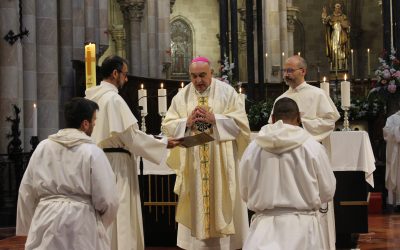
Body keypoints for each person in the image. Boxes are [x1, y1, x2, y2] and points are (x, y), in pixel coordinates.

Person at [85, 55, 180, 250]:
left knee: (104, 213)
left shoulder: (93, 97)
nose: (126, 79)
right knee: (121, 211)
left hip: (100, 160)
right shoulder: (113, 100)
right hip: (118, 164)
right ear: (115, 73)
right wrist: (163, 143)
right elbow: (132, 138)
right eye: (125, 74)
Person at [162, 56, 251, 249]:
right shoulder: (182, 96)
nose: (198, 81)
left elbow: (242, 126)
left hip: (221, 160)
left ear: (212, 73)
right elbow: (167, 125)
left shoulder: (227, 93)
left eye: (202, 75)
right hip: (193, 161)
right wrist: (186, 123)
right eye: (193, 76)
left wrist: (215, 119)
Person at [16, 97, 119, 250]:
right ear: (85, 124)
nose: (95, 124)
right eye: (94, 120)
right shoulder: (92, 152)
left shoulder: (43, 148)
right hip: (83, 224)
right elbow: (108, 200)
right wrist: (98, 223)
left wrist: (27, 230)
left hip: (46, 221)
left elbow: (26, 192)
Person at [239, 97, 336, 250]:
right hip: (303, 229)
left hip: (264, 229)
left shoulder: (253, 148)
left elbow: (244, 191)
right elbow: (327, 191)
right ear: (299, 118)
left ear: (272, 118)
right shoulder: (312, 147)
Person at [270, 55, 340, 142]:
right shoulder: (281, 99)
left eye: (290, 70)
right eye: (284, 71)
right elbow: (272, 125)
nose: (286, 74)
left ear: (303, 71)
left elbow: (329, 122)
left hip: (313, 148)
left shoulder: (318, 94)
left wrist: (301, 124)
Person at [322, 3, 350, 70]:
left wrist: (343, 24)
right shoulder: (330, 17)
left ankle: (342, 65)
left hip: (342, 37)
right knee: (334, 50)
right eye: (337, 7)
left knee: (341, 50)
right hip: (334, 36)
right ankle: (334, 65)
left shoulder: (344, 16)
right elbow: (325, 22)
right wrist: (324, 15)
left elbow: (348, 26)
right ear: (334, 8)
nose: (338, 9)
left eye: (339, 7)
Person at [383, 110, 400, 208]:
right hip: (397, 153)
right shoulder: (392, 119)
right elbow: (387, 133)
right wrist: (397, 130)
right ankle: (397, 202)